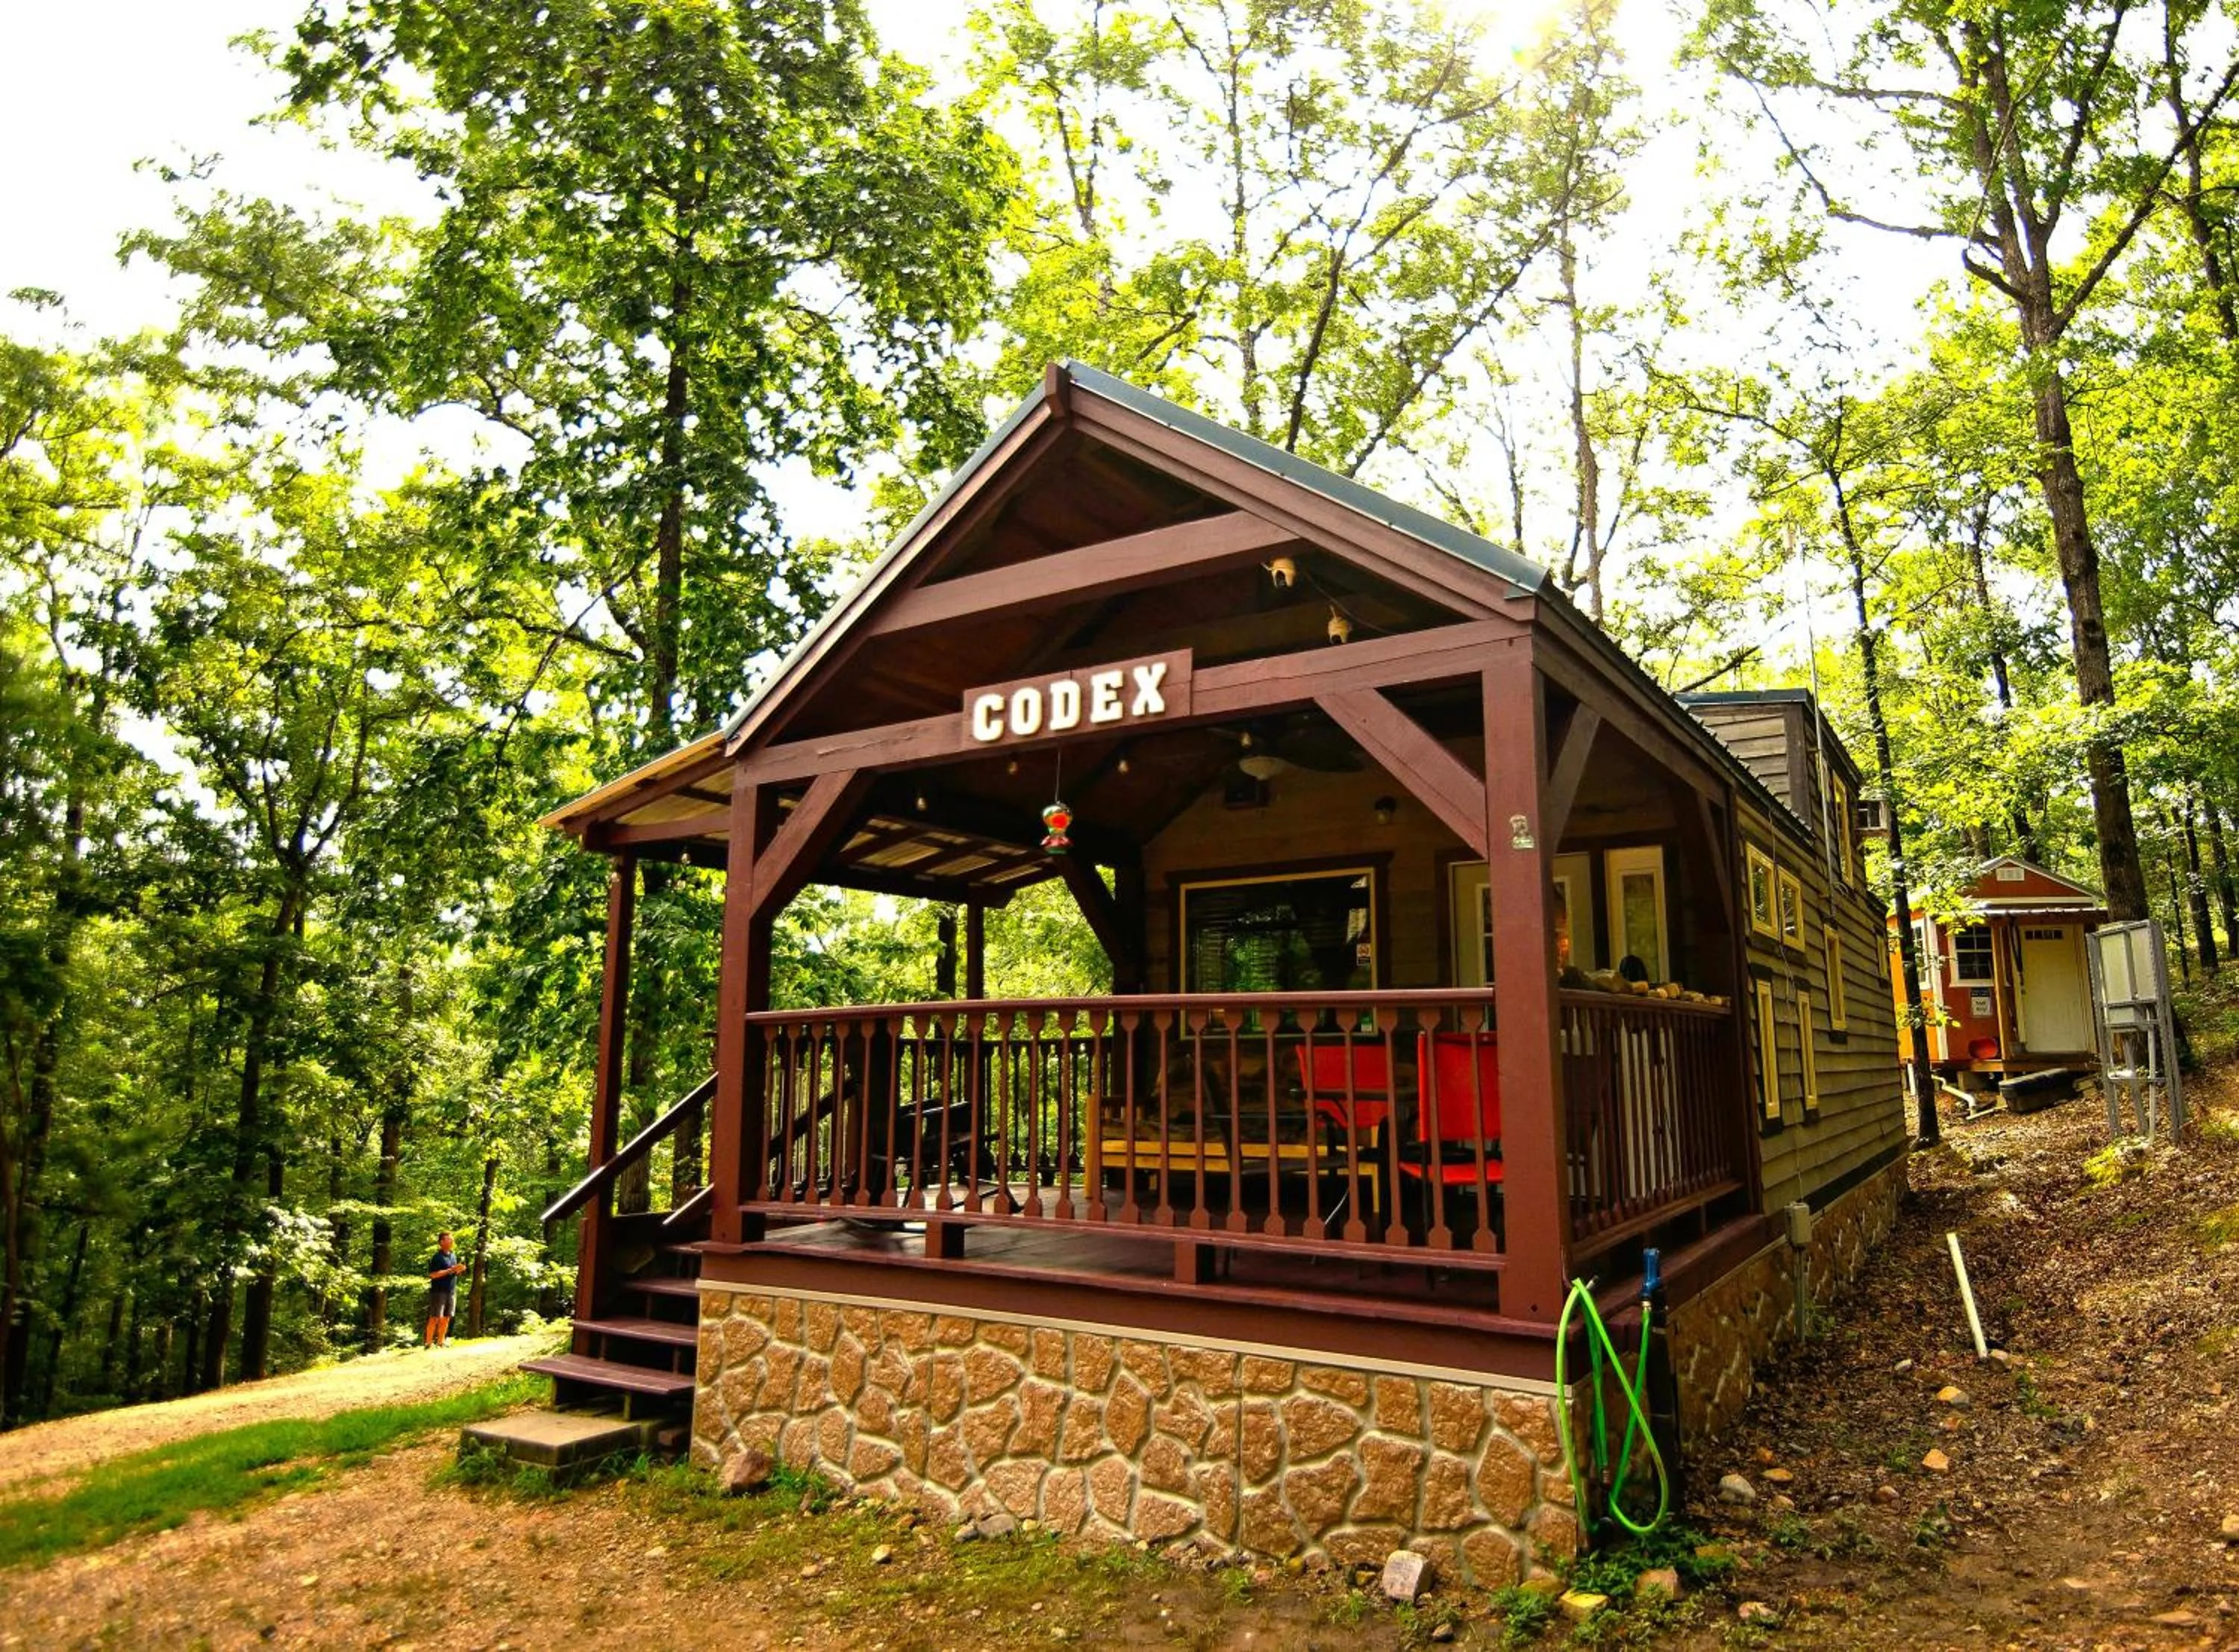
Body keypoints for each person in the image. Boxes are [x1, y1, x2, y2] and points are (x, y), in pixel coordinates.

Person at [425, 1232, 467, 1349]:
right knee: (435, 1317)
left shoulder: (453, 1256)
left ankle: (440, 1342)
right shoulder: (437, 1257)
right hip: (438, 1292)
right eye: (449, 1239)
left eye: (452, 1239)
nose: (451, 1241)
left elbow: (454, 1272)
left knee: (447, 1317)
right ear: (441, 1242)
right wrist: (451, 1269)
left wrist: (460, 1270)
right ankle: (428, 1344)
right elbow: (433, 1275)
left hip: (451, 1291)